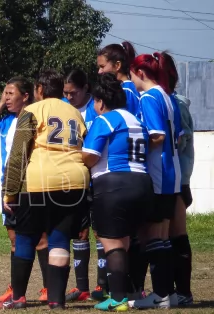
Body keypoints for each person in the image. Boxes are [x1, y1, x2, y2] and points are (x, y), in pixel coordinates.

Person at [0, 70, 90, 310]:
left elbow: (18, 153)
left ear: (39, 89)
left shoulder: (32, 111)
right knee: (59, 238)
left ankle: (18, 297)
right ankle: (56, 300)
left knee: (26, 236)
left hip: (39, 182)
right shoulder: (75, 113)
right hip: (74, 182)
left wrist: (9, 192)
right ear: (61, 90)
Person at [81, 73, 153, 312]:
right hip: (142, 182)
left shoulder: (105, 120)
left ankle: (119, 298)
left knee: (113, 244)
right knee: (129, 241)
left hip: (113, 184)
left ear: (100, 102)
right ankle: (134, 292)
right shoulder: (136, 120)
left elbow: (90, 156)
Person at [0, 78, 50, 305]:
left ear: (25, 95)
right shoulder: (8, 122)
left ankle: (49, 287)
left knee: (41, 239)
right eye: (4, 93)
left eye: (10, 93)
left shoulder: (35, 118)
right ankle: (16, 288)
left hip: (31, 185)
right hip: (8, 184)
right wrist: (0, 104)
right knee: (14, 239)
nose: (6, 97)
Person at [129, 52, 182, 309]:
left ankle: (160, 294)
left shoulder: (149, 96)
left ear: (139, 73)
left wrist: (133, 146)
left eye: (131, 75)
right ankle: (167, 293)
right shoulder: (166, 94)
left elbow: (157, 136)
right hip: (172, 172)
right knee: (162, 235)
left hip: (158, 172)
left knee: (153, 236)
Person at [62, 69, 102, 303]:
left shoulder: (96, 110)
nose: (69, 97)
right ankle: (82, 287)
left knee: (100, 231)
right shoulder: (64, 110)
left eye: (73, 93)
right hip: (72, 178)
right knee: (79, 231)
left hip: (95, 176)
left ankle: (102, 285)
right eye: (65, 93)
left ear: (86, 88)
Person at [165, 54, 194, 306]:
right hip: (167, 179)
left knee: (177, 236)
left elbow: (180, 144)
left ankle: (183, 291)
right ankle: (171, 291)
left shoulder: (177, 105)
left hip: (177, 180)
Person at [97, 42, 141, 116]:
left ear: (117, 65)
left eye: (102, 66)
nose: (99, 71)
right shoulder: (120, 89)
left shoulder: (127, 91)